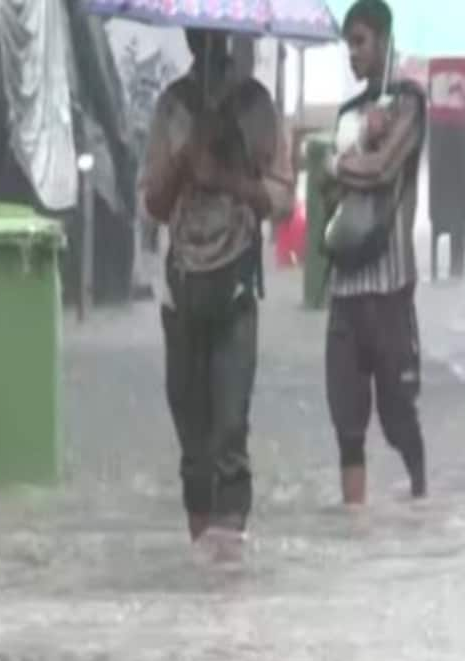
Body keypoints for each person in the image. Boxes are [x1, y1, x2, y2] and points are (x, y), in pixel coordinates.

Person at [140, 28, 293, 550]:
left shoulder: (256, 106)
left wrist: (224, 176)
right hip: (180, 287)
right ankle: (199, 569)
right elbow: (153, 206)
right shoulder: (172, 106)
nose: (202, 38)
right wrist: (184, 162)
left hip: (235, 286)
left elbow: (281, 200)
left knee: (229, 431)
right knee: (192, 444)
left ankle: (226, 585)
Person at [319, 0, 428, 504]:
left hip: (390, 289)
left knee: (398, 414)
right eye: (348, 45)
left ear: (384, 42)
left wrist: (342, 162)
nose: (353, 55)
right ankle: (354, 523)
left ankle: (420, 492)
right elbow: (323, 193)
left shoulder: (410, 103)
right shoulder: (348, 115)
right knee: (347, 422)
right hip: (344, 287)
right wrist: (360, 140)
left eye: (360, 43)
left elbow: (385, 171)